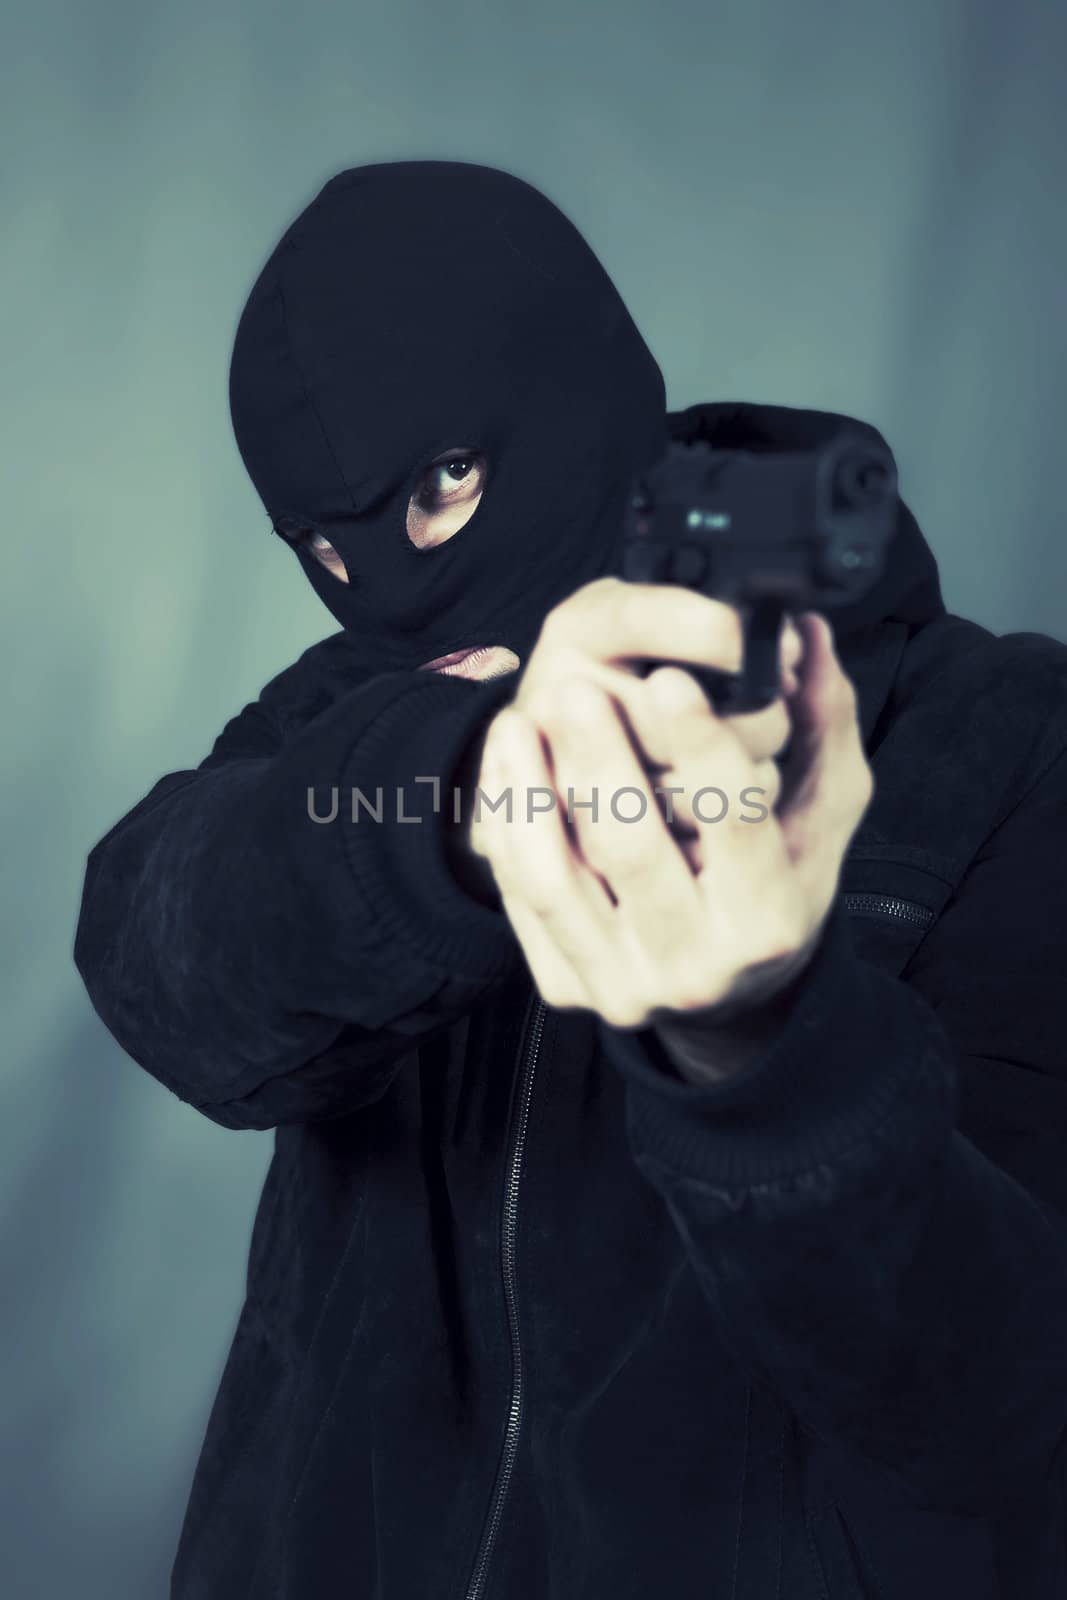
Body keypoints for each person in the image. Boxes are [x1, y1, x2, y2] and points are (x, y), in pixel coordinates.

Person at [73, 161, 1067, 1600]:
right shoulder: (349, 712)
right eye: (320, 552)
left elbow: (1009, 1412)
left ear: (572, 399)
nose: (381, 593)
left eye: (440, 491)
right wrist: (459, 803)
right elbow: (154, 949)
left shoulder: (1002, 739)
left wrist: (765, 1057)